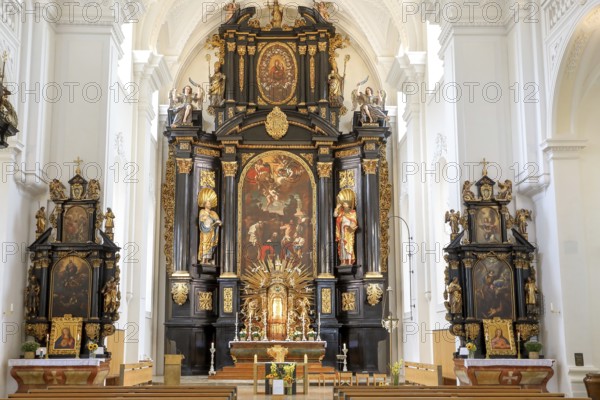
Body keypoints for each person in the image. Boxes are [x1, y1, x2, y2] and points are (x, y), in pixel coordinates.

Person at [334, 190, 358, 265]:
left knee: (349, 245)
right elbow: (335, 215)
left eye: (345, 203)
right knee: (342, 246)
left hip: (348, 232)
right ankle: (343, 261)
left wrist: (350, 226)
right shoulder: (341, 213)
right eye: (343, 203)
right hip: (342, 231)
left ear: (349, 204)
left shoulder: (353, 213)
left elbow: (354, 222)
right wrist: (337, 208)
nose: (344, 205)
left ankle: (349, 261)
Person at [197, 189, 222, 264]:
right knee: (205, 244)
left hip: (212, 231)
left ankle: (207, 260)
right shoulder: (202, 211)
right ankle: (203, 260)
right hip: (205, 231)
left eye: (210, 203)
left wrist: (218, 222)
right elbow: (201, 219)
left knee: (210, 246)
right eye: (208, 203)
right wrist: (205, 217)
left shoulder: (213, 213)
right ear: (205, 204)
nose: (210, 204)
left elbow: (218, 221)